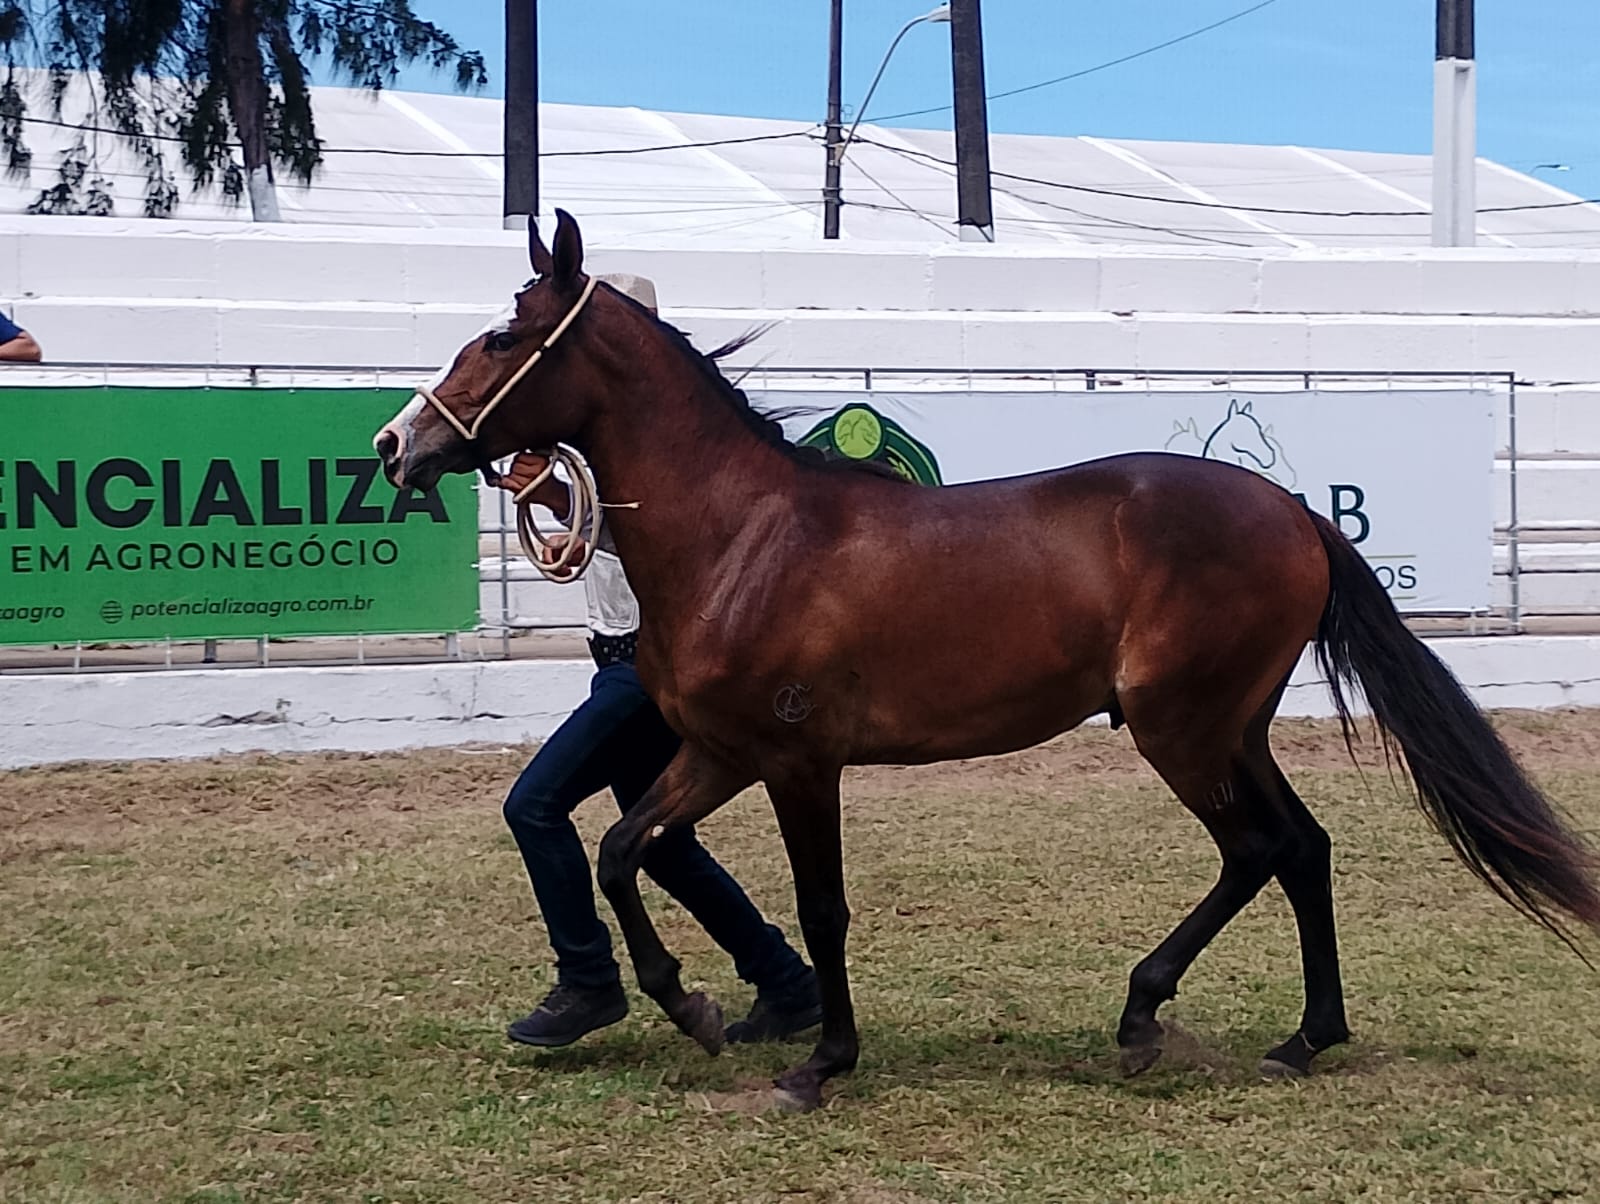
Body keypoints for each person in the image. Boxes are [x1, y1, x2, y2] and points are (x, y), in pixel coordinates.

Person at [496, 274, 820, 1049]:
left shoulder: (658, 449)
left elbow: (664, 544)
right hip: (624, 660)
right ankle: (786, 982)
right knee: (664, 843)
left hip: (644, 667)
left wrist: (562, 507)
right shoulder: (605, 441)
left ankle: (588, 982)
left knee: (535, 806)